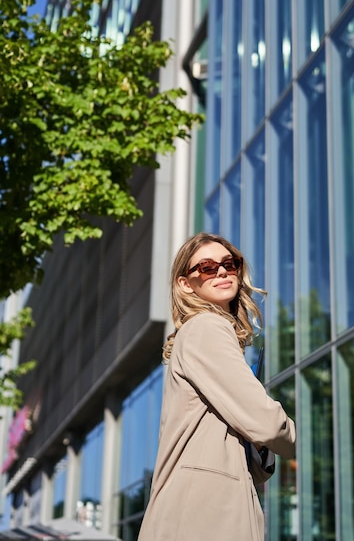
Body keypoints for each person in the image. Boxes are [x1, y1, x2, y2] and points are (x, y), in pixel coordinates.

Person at [138, 232, 296, 541]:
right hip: (203, 515)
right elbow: (267, 423)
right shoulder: (207, 327)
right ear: (186, 283)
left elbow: (253, 457)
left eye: (229, 263)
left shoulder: (203, 333)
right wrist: (293, 438)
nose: (222, 271)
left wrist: (261, 443)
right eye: (207, 267)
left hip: (204, 509)